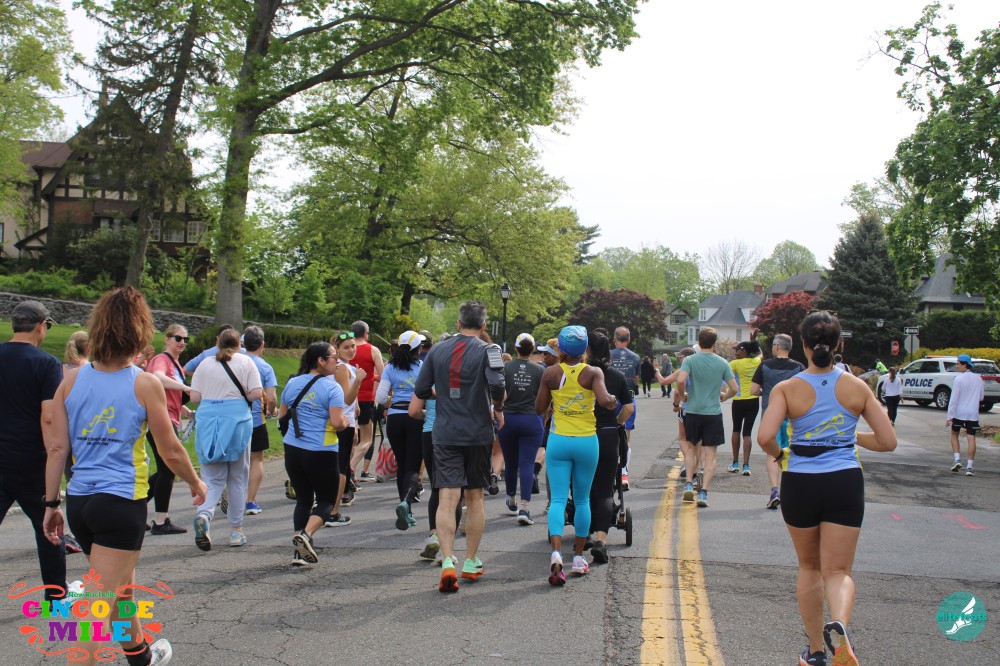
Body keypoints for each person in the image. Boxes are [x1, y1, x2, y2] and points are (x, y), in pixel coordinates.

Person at [43, 286, 207, 666]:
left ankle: (140, 657)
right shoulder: (143, 383)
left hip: (81, 503)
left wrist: (51, 503)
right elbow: (169, 449)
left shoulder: (71, 380)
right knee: (96, 607)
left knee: (122, 591)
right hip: (120, 503)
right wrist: (196, 482)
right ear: (140, 331)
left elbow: (56, 448)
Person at [757, 311, 896, 666]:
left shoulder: (787, 388)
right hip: (844, 481)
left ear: (803, 345)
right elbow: (887, 441)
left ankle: (817, 651)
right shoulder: (857, 387)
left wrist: (781, 455)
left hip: (801, 481)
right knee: (838, 571)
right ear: (838, 345)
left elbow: (765, 437)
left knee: (809, 567)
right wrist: (847, 437)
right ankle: (840, 626)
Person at [411, 301, 505, 593]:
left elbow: (421, 390)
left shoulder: (437, 351)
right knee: (475, 497)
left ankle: (447, 560)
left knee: (447, 498)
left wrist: (443, 393)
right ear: (484, 325)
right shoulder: (490, 350)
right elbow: (498, 386)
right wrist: (498, 407)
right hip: (477, 433)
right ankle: (471, 560)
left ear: (458, 323)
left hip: (445, 433)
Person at [535, 325, 618, 585]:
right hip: (586, 441)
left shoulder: (550, 373)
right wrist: (612, 400)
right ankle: (580, 557)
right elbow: (604, 401)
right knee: (582, 500)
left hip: (559, 440)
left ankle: (556, 552)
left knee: (558, 499)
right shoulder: (593, 372)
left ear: (560, 347)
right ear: (584, 349)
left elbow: (539, 408)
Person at [0, 301, 67, 602]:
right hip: (31, 459)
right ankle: (55, 597)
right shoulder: (46, 363)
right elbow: (49, 416)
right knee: (49, 527)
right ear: (41, 327)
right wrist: (54, 454)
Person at [189, 329, 262, 550]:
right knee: (237, 478)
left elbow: (195, 397)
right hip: (237, 421)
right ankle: (236, 530)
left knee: (211, 477)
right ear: (240, 344)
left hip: (209, 422)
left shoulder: (205, 364)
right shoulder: (246, 362)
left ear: (218, 343)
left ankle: (204, 514)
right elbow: (256, 392)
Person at [280, 342, 349, 565]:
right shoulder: (332, 388)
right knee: (327, 500)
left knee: (303, 499)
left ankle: (299, 552)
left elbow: (282, 415)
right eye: (334, 356)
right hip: (321, 450)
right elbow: (338, 423)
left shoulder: (292, 383)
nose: (337, 360)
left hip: (293, 448)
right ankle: (306, 535)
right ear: (320, 360)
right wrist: (346, 421)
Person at [676, 328, 738, 508]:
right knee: (710, 455)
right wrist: (724, 397)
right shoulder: (722, 363)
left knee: (691, 449)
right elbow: (734, 388)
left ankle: (689, 482)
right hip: (712, 413)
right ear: (715, 344)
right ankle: (703, 492)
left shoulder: (690, 360)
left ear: (699, 342)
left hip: (693, 411)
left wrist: (683, 395)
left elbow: (680, 380)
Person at [588, 331, 634, 564]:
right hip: (607, 434)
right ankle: (601, 540)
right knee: (606, 489)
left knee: (583, 487)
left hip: (583, 433)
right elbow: (628, 408)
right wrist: (616, 422)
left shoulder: (581, 374)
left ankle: (584, 533)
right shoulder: (616, 376)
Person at [145, 324, 194, 535]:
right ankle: (160, 520)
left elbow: (165, 393)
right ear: (167, 339)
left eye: (185, 339)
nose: (182, 342)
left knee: (166, 468)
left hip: (169, 417)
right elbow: (157, 377)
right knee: (169, 467)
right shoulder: (162, 360)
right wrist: (184, 387)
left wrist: (184, 410)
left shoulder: (176, 365)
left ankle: (135, 507)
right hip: (160, 420)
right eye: (178, 338)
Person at [376, 330, 425, 530]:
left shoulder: (390, 367)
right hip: (415, 416)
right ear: (417, 349)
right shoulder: (422, 367)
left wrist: (392, 399)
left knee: (402, 464)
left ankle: (406, 510)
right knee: (413, 466)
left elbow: (380, 398)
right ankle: (406, 502)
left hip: (395, 418)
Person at [751, 334, 804, 509]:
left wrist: (766, 393)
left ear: (776, 346)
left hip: (770, 416)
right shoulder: (799, 367)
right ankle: (792, 491)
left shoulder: (764, 365)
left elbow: (753, 390)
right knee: (792, 454)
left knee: (772, 454)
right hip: (792, 418)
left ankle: (774, 491)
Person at [498, 333, 545, 525]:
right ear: (532, 349)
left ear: (516, 348)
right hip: (531, 419)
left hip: (508, 419)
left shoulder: (505, 367)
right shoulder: (540, 370)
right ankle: (525, 508)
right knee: (527, 463)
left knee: (510, 462)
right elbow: (544, 399)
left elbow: (498, 393)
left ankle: (511, 500)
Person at [326, 330, 367, 525]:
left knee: (340, 461)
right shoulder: (342, 368)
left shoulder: (346, 367)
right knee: (341, 465)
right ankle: (333, 510)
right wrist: (358, 379)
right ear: (337, 349)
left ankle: (331, 502)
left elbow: (351, 400)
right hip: (342, 421)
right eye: (346, 347)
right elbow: (346, 399)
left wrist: (356, 406)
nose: (351, 350)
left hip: (347, 420)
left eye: (353, 346)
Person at [242, 326, 278, 515]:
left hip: (232, 418)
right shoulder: (265, 367)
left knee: (235, 459)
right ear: (262, 345)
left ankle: (232, 494)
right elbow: (271, 398)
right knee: (256, 459)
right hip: (256, 419)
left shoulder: (233, 361)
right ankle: (250, 501)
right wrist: (271, 410)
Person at [349, 321, 385, 482]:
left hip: (347, 398)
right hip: (365, 398)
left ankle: (347, 472)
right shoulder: (372, 350)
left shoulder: (345, 349)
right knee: (366, 439)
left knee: (350, 439)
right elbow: (384, 376)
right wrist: (372, 377)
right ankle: (350, 467)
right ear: (365, 333)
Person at [609, 326, 641, 489]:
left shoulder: (608, 355)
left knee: (607, 435)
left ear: (614, 339)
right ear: (629, 340)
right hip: (628, 399)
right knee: (626, 437)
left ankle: (608, 472)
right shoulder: (635, 357)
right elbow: (636, 379)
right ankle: (623, 474)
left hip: (609, 399)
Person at [728, 341, 761, 476]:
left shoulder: (734, 364)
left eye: (736, 350)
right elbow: (760, 353)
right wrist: (754, 341)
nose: (735, 352)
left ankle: (735, 463)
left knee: (736, 429)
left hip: (739, 400)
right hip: (753, 400)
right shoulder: (756, 361)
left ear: (743, 350)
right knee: (747, 433)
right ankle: (746, 465)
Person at [947, 353, 984, 476]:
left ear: (964, 365)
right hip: (973, 413)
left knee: (954, 434)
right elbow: (981, 397)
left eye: (958, 364)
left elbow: (954, 399)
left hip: (959, 412)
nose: (956, 366)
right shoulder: (978, 379)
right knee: (971, 437)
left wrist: (949, 417)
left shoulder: (958, 379)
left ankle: (957, 459)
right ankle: (969, 467)